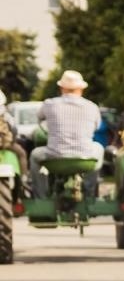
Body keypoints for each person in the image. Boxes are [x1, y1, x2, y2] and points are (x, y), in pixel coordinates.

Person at [32, 70, 104, 202]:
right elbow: (97, 126)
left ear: (62, 88)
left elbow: (39, 119)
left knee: (34, 155)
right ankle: (89, 191)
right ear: (81, 89)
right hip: (84, 157)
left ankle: (41, 196)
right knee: (99, 148)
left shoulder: (49, 104)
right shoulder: (92, 107)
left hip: (55, 157)